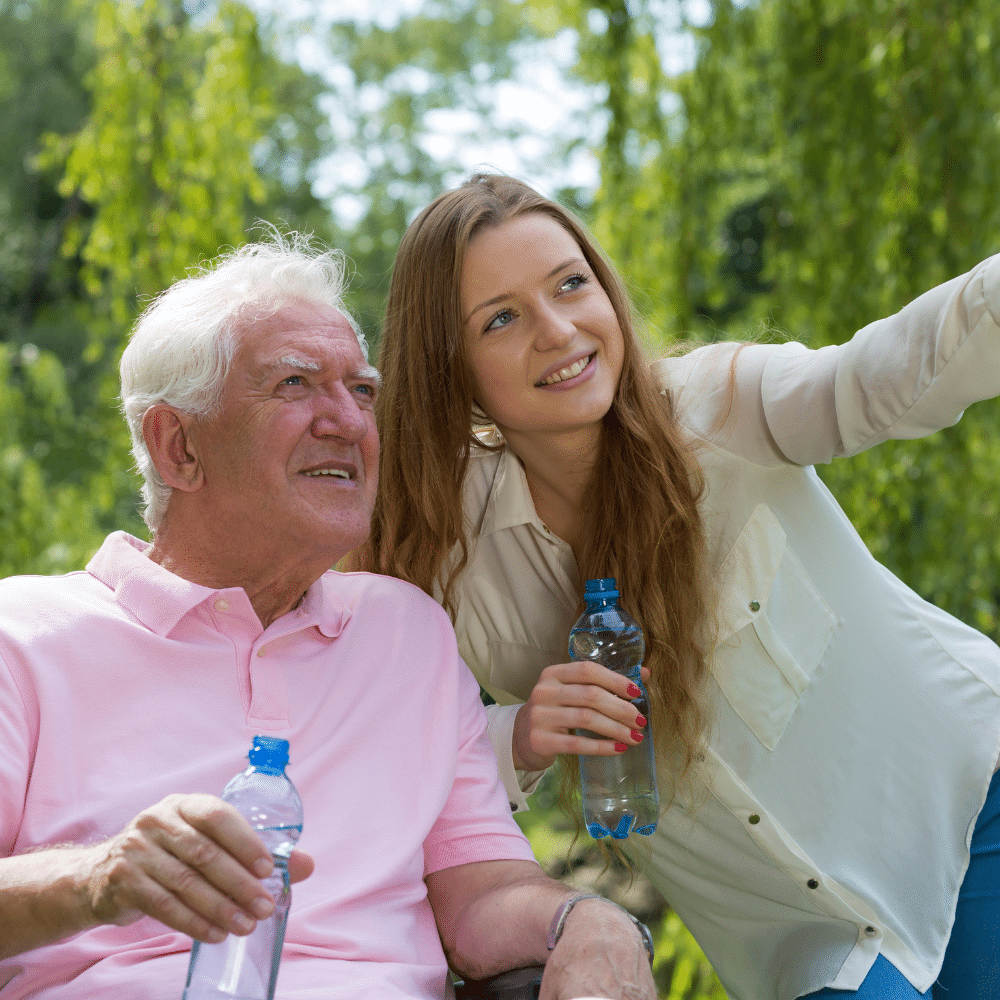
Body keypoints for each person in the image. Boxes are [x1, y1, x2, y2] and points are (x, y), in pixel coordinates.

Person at [351, 173, 1000, 1000]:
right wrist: (521, 735)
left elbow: (872, 379)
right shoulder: (444, 553)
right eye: (501, 319)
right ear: (452, 366)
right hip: (806, 943)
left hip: (971, 801)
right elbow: (384, 752)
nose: (558, 330)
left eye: (570, 284)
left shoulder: (717, 406)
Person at [0, 232, 657, 1000]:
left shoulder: (407, 633)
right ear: (178, 446)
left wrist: (590, 922)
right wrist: (97, 877)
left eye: (363, 390)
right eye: (294, 384)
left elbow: (481, 888)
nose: (348, 422)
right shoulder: (25, 635)